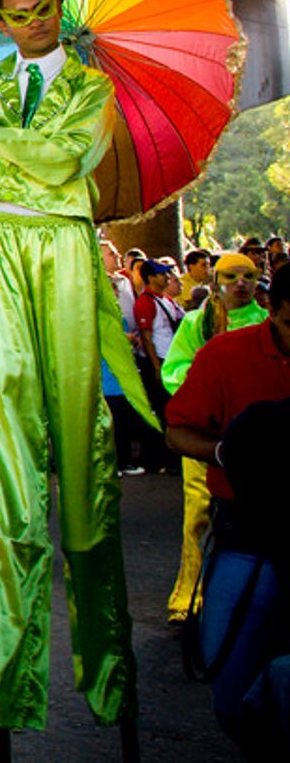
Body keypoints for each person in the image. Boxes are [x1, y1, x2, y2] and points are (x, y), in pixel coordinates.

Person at [0, 0, 146, 748]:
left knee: (83, 454)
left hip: (61, 245)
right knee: (11, 451)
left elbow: (62, 159)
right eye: (14, 15)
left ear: (60, 8)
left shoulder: (92, 88)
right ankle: (12, 684)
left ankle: (108, 669)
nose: (28, 24)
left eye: (41, 10)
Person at [164, 264, 290, 755]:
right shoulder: (223, 350)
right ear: (275, 309)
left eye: (247, 277)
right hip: (248, 535)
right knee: (231, 696)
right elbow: (177, 431)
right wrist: (228, 451)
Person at [159, 253, 267, 624]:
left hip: (257, 442)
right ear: (217, 281)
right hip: (205, 436)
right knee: (197, 518)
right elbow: (174, 370)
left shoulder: (266, 323)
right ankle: (188, 596)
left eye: (249, 276)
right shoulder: (196, 322)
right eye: (232, 276)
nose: (241, 283)